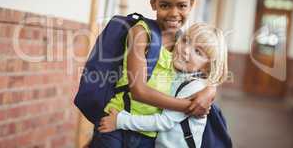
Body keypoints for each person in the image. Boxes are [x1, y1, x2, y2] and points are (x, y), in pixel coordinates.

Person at [89, 0, 217, 148]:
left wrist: (209, 90)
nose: (174, 13)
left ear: (192, 4)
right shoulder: (142, 33)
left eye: (182, 6)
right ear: (153, 3)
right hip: (118, 122)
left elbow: (202, 71)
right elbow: (139, 90)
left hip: (151, 133)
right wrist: (190, 107)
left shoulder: (185, 43)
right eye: (165, 5)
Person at [98, 23, 228, 148]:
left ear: (207, 67)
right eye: (185, 40)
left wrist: (120, 121)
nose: (186, 50)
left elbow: (164, 121)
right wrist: (211, 89)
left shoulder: (195, 88)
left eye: (198, 51)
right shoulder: (179, 73)